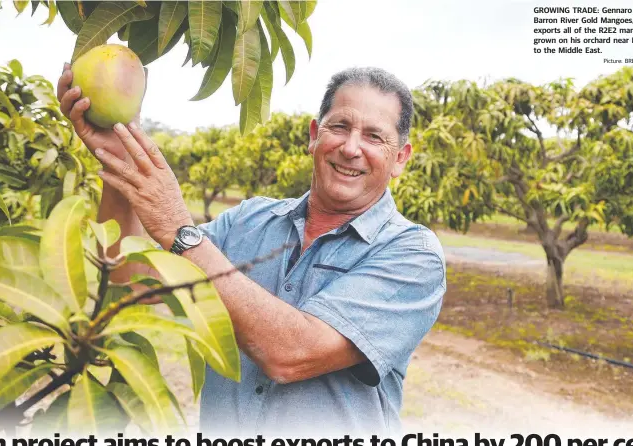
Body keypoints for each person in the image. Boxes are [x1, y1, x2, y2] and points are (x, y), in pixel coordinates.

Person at [57, 65, 446, 437]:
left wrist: (181, 231)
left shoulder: (413, 256)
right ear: (314, 135)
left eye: (374, 137)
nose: (351, 148)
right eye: (339, 127)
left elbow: (292, 353)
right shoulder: (248, 220)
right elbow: (133, 285)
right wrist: (119, 159)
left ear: (400, 159)